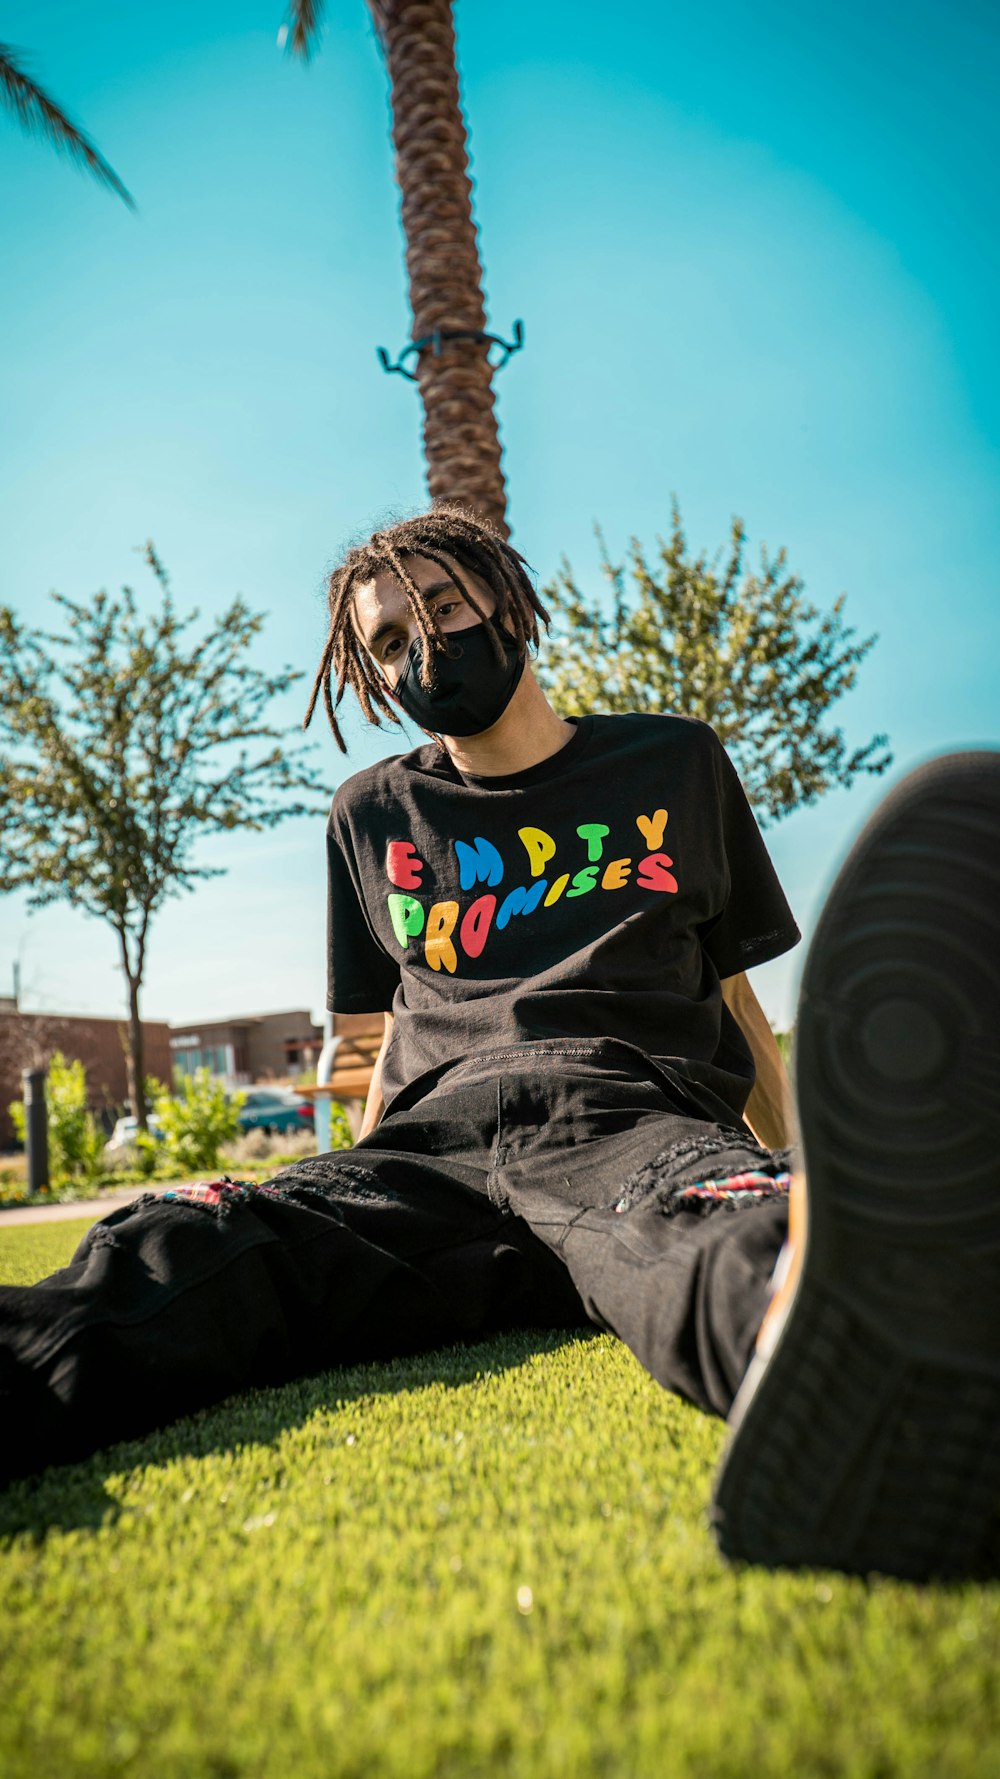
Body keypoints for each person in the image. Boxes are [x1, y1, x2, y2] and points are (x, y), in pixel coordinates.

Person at [2, 504, 997, 1584]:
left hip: (616, 1110)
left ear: (505, 600)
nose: (422, 646)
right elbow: (387, 1035)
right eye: (387, 639)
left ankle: (868, 1372)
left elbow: (734, 1001)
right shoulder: (368, 812)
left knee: (706, 1229)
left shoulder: (675, 762)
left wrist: (810, 1169)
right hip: (431, 1149)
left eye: (440, 605)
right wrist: (341, 1174)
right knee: (198, 1242)